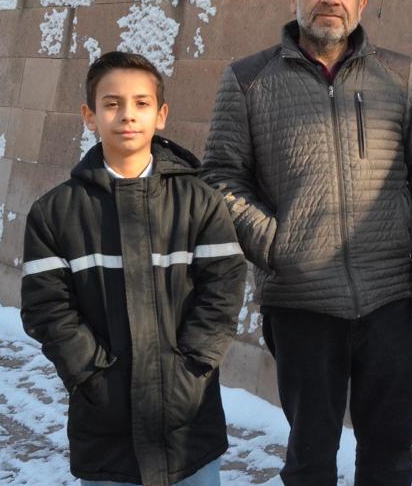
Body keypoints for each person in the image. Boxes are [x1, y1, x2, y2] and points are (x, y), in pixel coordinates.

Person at [201, 0, 412, 485]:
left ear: (362, 2)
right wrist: (279, 247)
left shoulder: (397, 76)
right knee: (310, 457)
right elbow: (221, 178)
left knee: (389, 456)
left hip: (390, 299)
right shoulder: (248, 79)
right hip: (301, 301)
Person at [20, 51, 247, 486]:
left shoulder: (200, 201)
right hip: (106, 431)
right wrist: (92, 377)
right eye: (112, 103)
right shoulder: (55, 213)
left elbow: (224, 289)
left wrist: (193, 368)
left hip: (189, 428)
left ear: (161, 115)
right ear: (89, 115)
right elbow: (47, 309)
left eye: (141, 103)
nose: (127, 115)